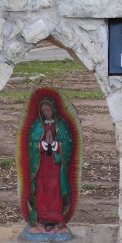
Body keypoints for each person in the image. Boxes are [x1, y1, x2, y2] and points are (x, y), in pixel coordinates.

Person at [27, 98, 73, 235]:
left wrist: (55, 145)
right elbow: (31, 143)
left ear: (53, 109)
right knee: (42, 189)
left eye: (48, 110)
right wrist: (42, 145)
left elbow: (68, 143)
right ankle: (41, 220)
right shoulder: (37, 124)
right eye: (43, 111)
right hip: (41, 164)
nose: (46, 113)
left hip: (55, 164)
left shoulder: (62, 125)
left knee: (55, 189)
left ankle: (56, 218)